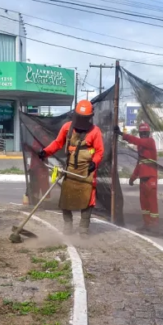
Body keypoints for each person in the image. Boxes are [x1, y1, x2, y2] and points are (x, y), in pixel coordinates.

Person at [38, 100, 104, 235]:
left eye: (85, 118)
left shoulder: (95, 131)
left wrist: (94, 162)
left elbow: (99, 151)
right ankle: (68, 226)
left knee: (88, 200)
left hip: (87, 171)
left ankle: (83, 230)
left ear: (90, 117)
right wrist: (46, 151)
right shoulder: (67, 128)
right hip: (71, 170)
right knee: (66, 199)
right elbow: (57, 143)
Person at [115, 122, 159, 228]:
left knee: (152, 203)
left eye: (145, 133)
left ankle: (154, 225)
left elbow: (137, 141)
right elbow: (139, 164)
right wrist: (132, 178)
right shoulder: (141, 147)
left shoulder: (150, 142)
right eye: (142, 133)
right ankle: (147, 224)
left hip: (151, 178)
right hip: (143, 180)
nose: (143, 135)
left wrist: (122, 134)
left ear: (148, 134)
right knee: (144, 203)